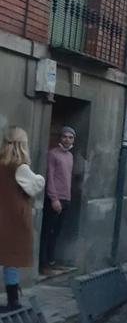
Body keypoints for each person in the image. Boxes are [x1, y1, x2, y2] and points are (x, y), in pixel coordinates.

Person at [0, 126, 45, 311]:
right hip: (14, 220)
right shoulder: (20, 167)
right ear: (22, 144)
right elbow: (36, 186)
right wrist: (40, 176)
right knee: (11, 260)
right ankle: (13, 302)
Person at [40, 126, 75, 274]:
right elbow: (50, 178)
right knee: (48, 231)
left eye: (70, 137)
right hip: (55, 199)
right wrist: (54, 199)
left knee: (57, 232)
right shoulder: (53, 154)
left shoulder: (70, 156)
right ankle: (43, 264)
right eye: (64, 137)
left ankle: (52, 261)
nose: (67, 139)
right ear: (60, 138)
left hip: (66, 198)